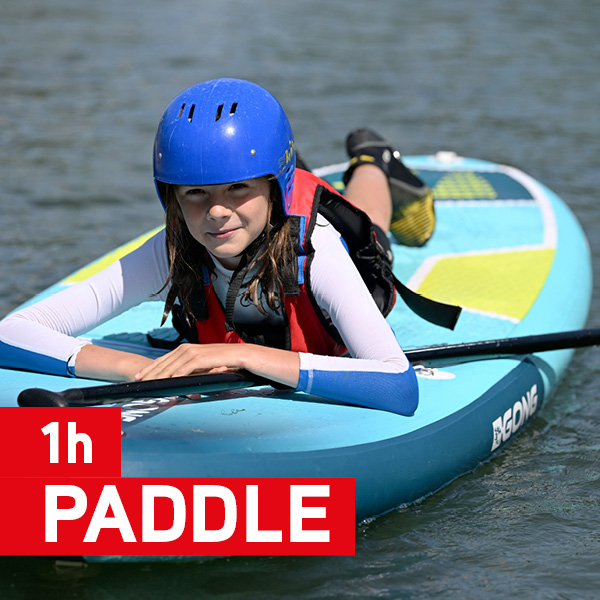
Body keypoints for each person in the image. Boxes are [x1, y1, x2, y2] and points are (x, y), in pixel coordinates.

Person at [0, 78, 435, 415]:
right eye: (195, 193)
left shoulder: (317, 250)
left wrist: (237, 353)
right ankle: (270, 169)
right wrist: (141, 372)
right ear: (169, 195)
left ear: (271, 187)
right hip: (271, 190)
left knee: (371, 224)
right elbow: (10, 333)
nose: (216, 213)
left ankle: (371, 158)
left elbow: (397, 384)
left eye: (236, 189)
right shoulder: (172, 248)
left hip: (340, 245)